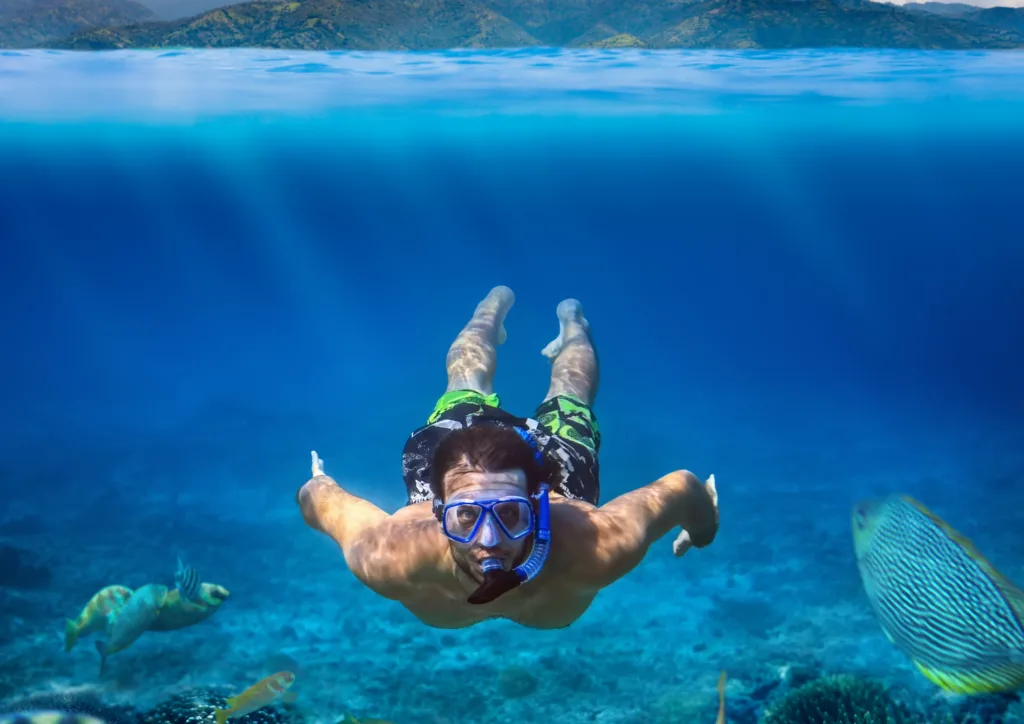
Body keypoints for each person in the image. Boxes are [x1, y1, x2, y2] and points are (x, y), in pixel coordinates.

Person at [296, 286, 719, 629]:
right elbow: (320, 503)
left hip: (554, 465)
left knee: (571, 389)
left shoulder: (597, 544)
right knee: (468, 376)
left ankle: (574, 324)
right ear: (438, 510)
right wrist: (318, 484)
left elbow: (682, 488)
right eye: (465, 517)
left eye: (511, 515)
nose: (489, 540)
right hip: (461, 451)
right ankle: (489, 311)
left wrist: (701, 533)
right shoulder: (390, 555)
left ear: (537, 505)